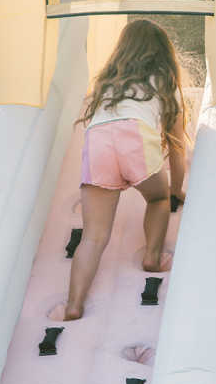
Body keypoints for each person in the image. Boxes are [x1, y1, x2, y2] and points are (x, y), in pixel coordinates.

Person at [59, 19, 189, 321]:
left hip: (98, 143)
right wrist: (175, 190)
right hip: (135, 140)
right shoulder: (164, 82)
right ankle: (152, 257)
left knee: (93, 235)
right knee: (156, 200)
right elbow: (178, 147)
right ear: (163, 53)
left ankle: (74, 304)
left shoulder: (108, 83)